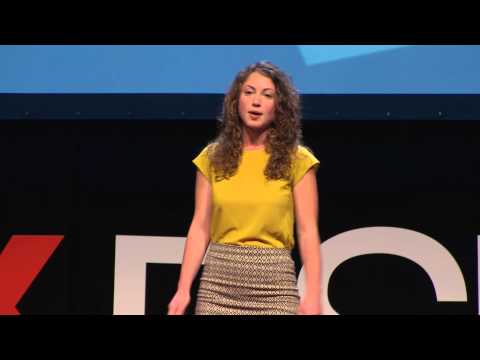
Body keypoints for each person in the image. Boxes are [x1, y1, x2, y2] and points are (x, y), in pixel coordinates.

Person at [168, 61, 322, 315]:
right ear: (236, 100)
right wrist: (183, 288)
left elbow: (307, 230)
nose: (256, 102)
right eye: (248, 92)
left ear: (279, 107)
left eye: (267, 95)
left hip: (275, 287)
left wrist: (313, 294)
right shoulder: (212, 157)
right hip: (218, 285)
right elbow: (200, 226)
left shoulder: (298, 160)